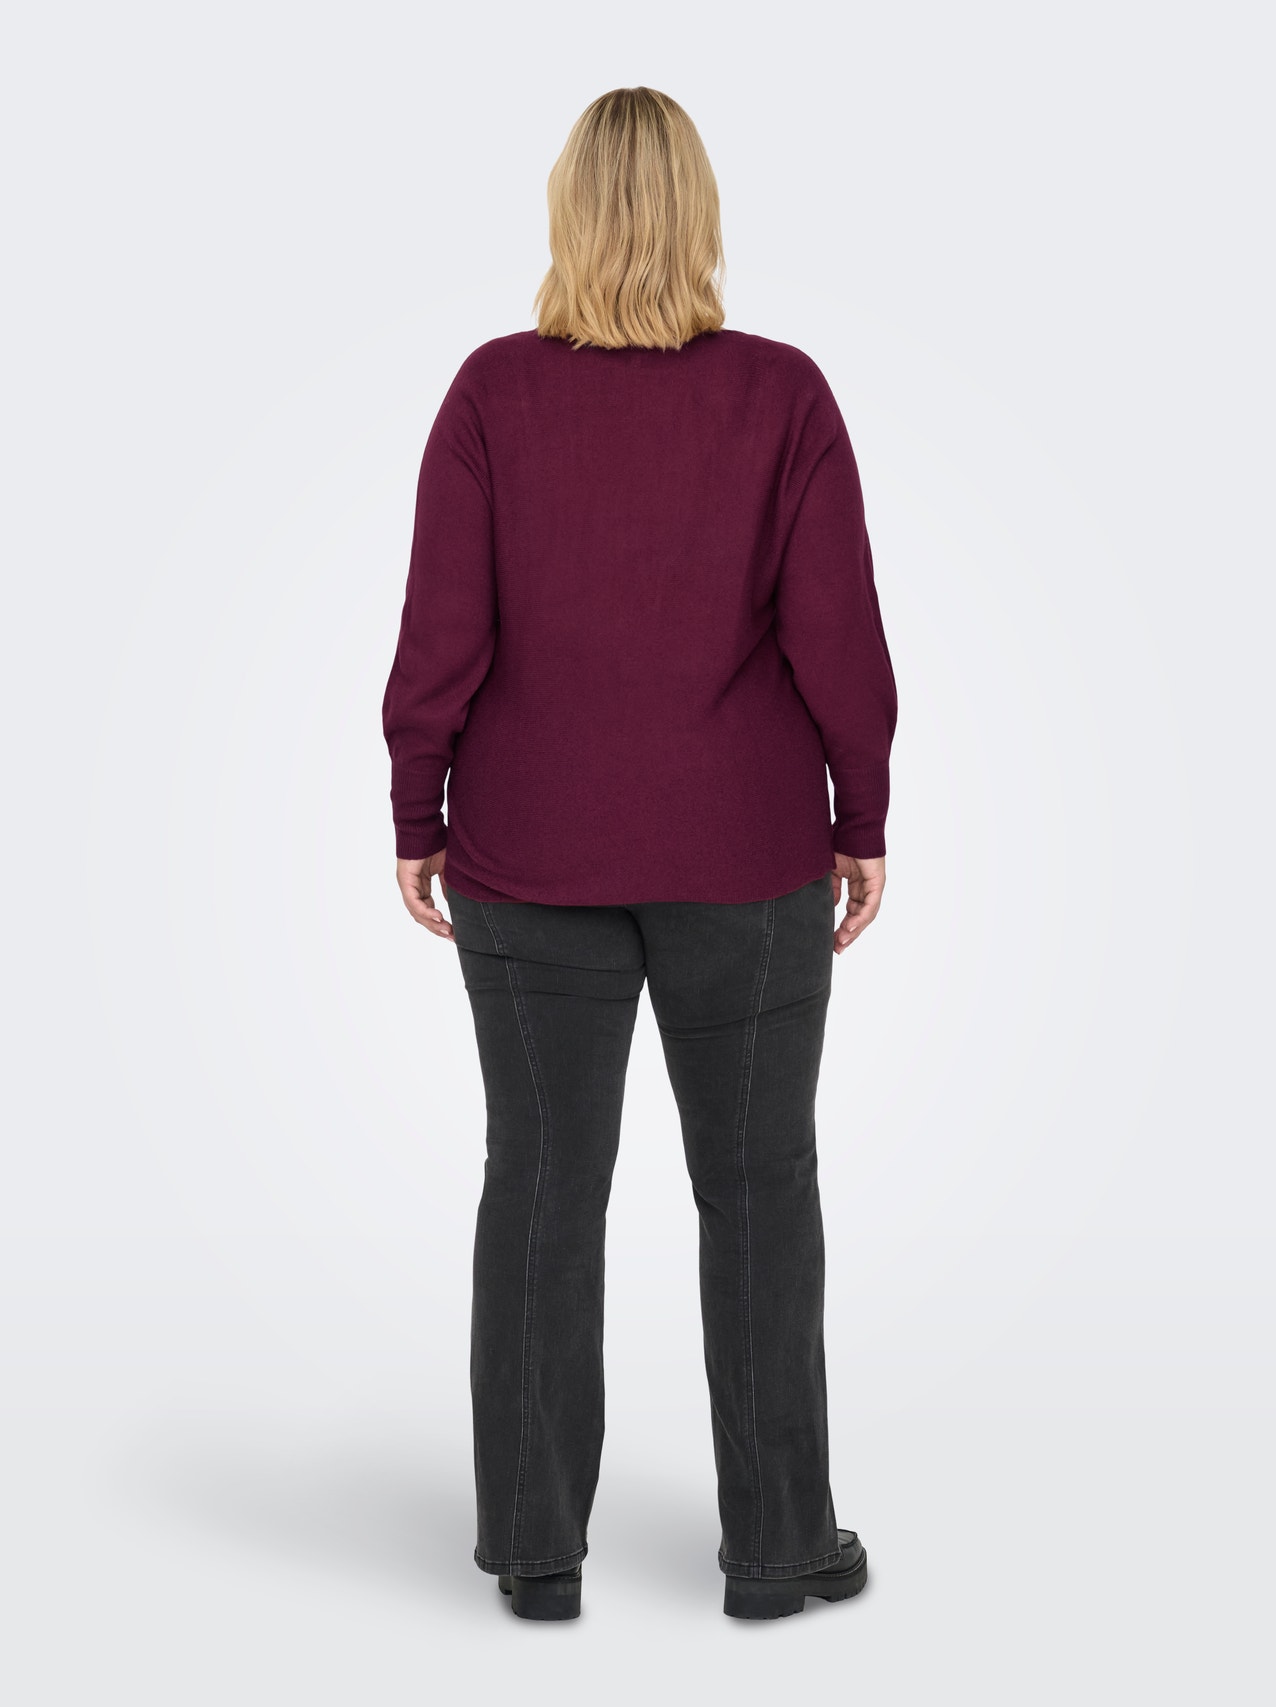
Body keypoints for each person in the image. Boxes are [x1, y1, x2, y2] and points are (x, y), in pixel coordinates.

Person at [381, 86, 898, 1622]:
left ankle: (536, 1550)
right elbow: (839, 639)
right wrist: (860, 815)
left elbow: (441, 633)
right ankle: (779, 1550)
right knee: (759, 1188)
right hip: (747, 860)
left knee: (543, 1184)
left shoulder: (494, 395)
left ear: (565, 216)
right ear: (701, 217)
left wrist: (418, 811)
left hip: (529, 856)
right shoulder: (780, 397)